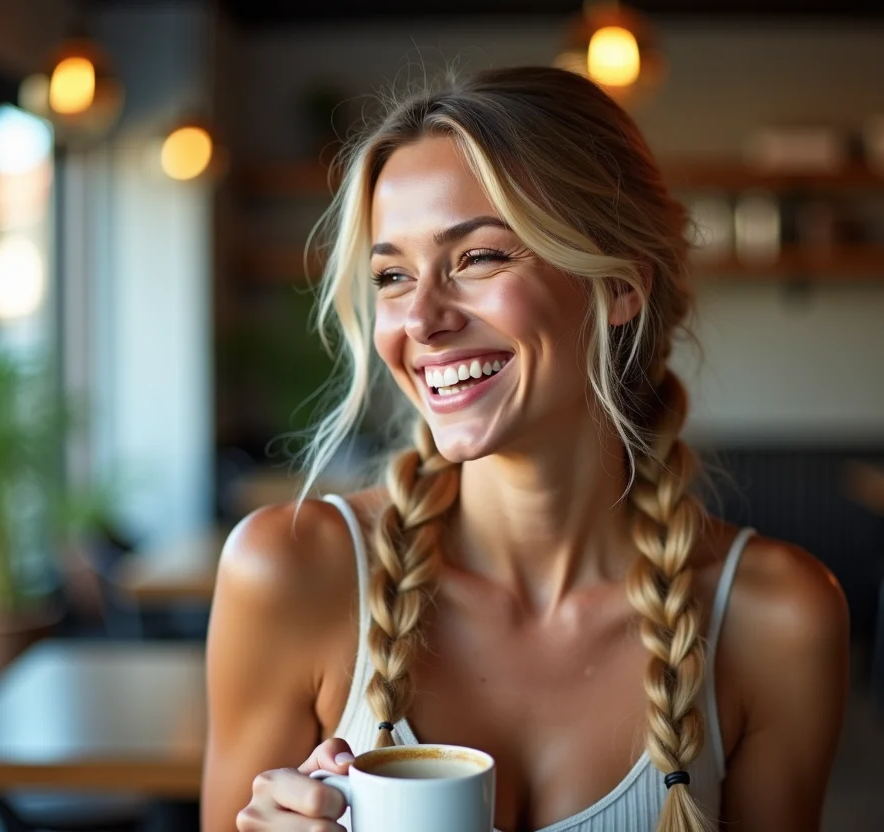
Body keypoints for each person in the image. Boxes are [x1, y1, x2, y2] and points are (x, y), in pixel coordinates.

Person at [202, 66, 849, 832]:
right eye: (393, 275)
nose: (422, 319)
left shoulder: (775, 620)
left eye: (479, 258)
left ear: (619, 287)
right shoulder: (288, 574)